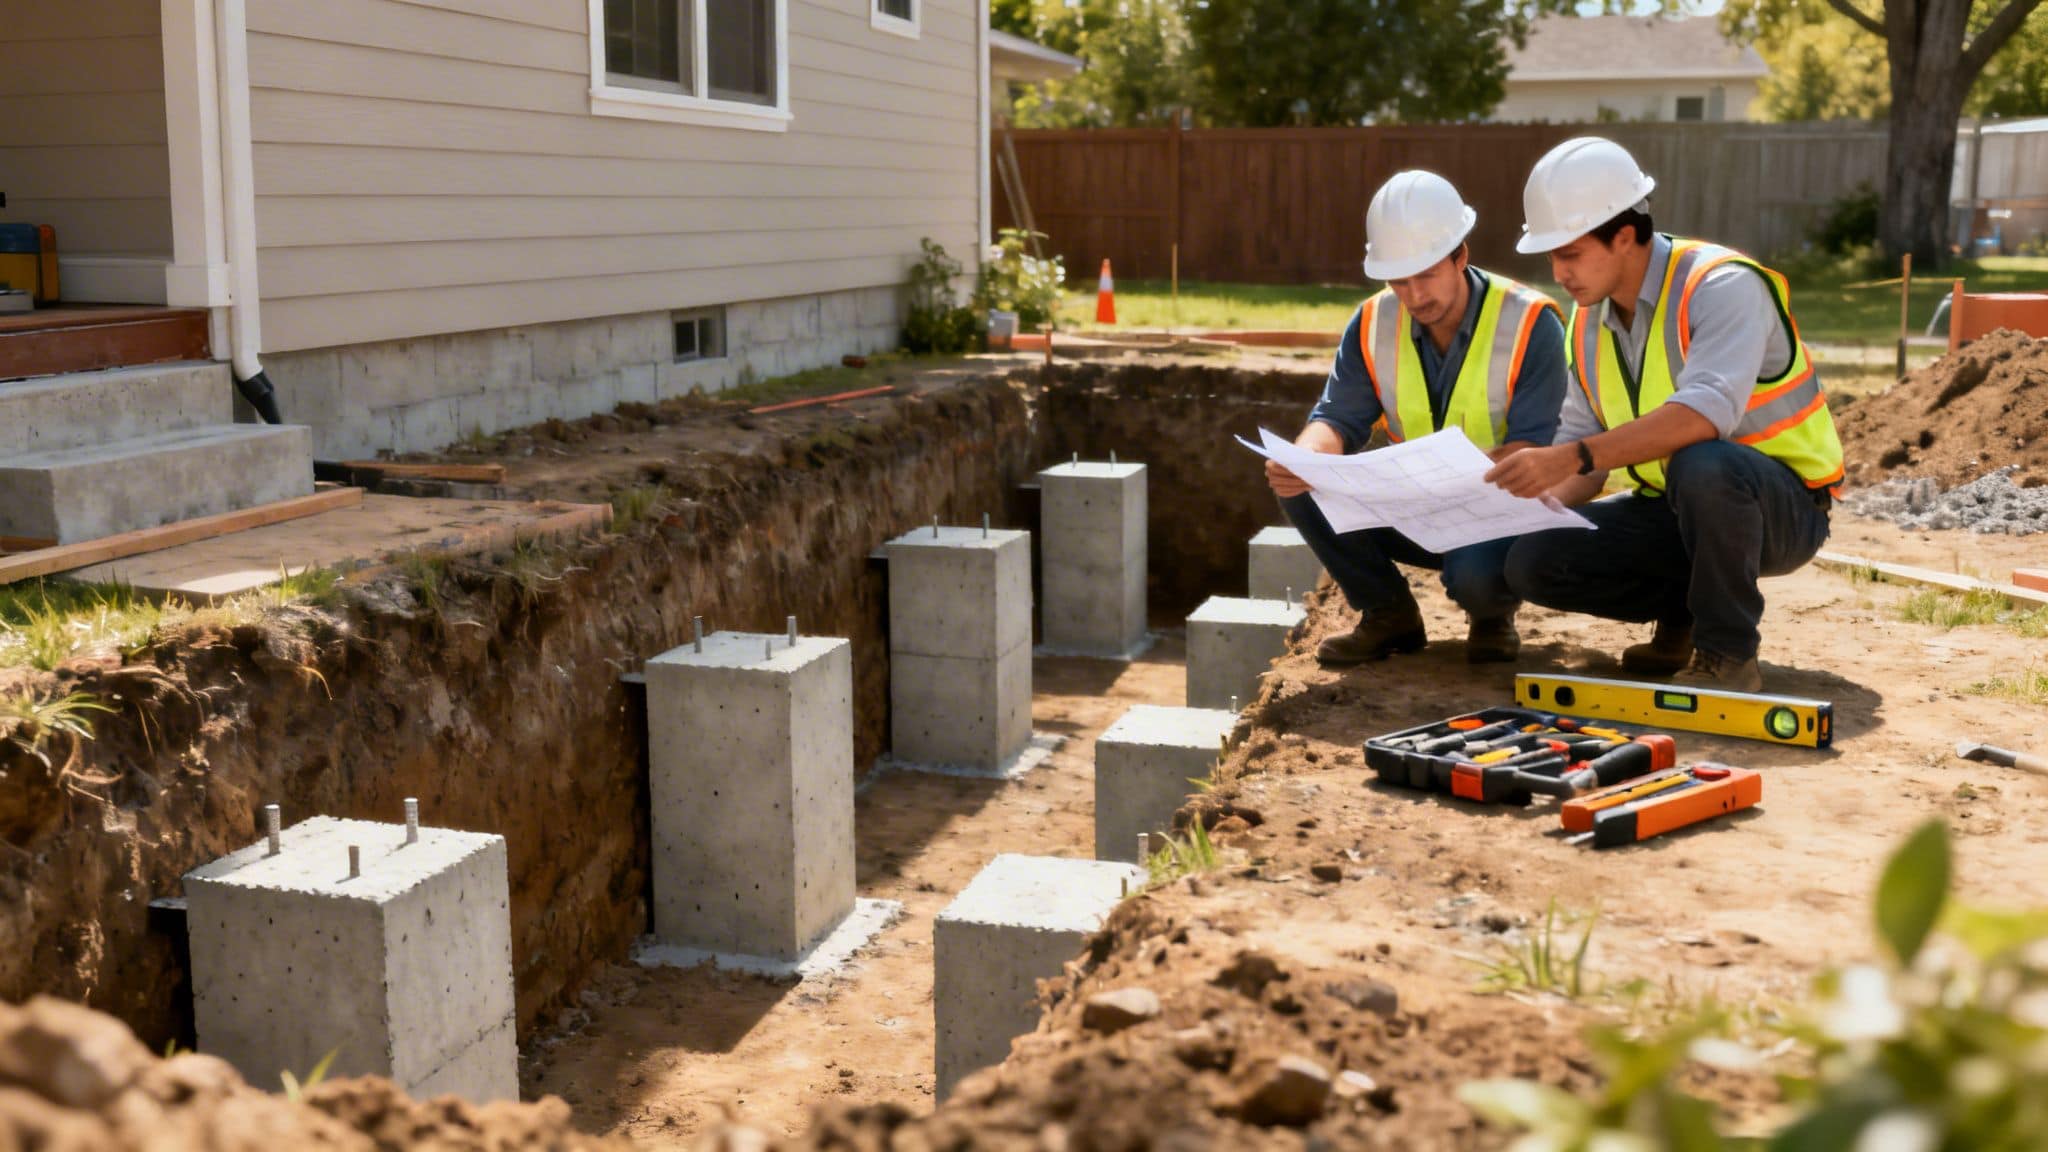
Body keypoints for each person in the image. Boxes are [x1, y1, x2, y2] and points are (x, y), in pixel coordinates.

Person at [1486, 137, 1845, 693]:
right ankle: (1684, 618)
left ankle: (1726, 652)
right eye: (1552, 256)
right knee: (1534, 560)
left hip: (1782, 508)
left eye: (1570, 254)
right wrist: (1512, 502)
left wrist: (1573, 454)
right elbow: (1585, 464)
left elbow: (1704, 414)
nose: (1558, 272)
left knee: (1704, 463)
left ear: (1624, 236)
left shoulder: (1722, 286)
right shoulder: (1586, 325)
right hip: (1676, 508)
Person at [1267, 170, 1567, 666]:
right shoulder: (1372, 321)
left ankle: (1491, 616)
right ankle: (1388, 615)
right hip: (1417, 503)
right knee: (1301, 486)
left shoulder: (1531, 323)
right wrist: (1306, 456)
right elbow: (1336, 418)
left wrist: (1457, 482)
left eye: (1426, 275)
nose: (1413, 295)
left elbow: (1533, 449)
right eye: (1398, 280)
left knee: (1473, 575)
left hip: (1500, 509)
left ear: (1460, 256)